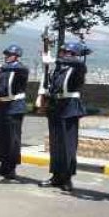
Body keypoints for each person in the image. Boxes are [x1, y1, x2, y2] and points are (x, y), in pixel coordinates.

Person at [39, 42, 89, 192]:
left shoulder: (78, 67)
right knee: (56, 144)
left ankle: (67, 178)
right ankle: (56, 175)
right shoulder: (58, 70)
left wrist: (53, 59)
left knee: (68, 145)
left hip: (70, 107)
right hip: (56, 106)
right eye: (62, 51)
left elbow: (77, 63)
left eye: (66, 52)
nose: (63, 53)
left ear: (74, 54)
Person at [0, 44, 29, 180]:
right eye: (5, 54)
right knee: (2, 138)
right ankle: (3, 165)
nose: (6, 57)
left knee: (13, 139)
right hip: (1, 105)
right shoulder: (3, 70)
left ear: (16, 56)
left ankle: (11, 168)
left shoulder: (20, 69)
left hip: (14, 106)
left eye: (9, 55)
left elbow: (20, 68)